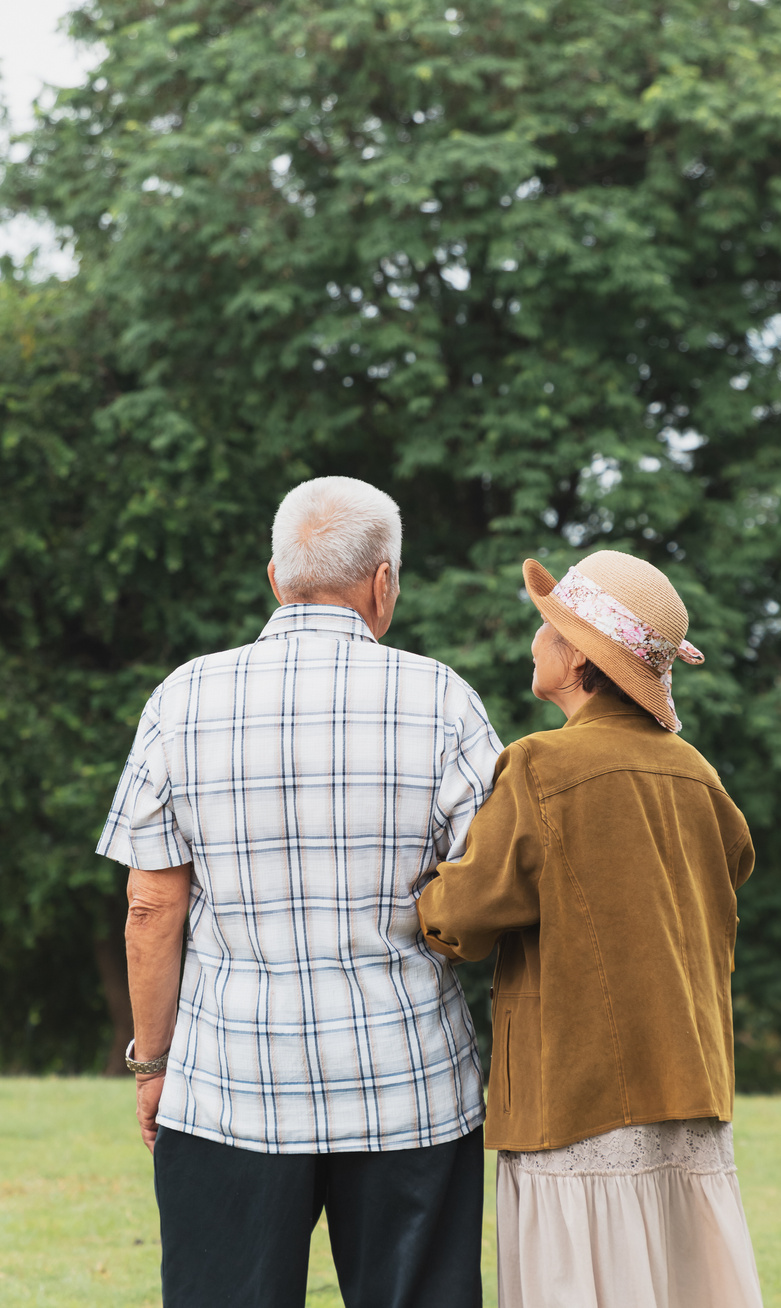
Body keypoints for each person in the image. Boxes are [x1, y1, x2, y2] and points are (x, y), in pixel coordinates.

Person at [96, 476, 502, 1308]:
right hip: (410, 1088)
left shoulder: (183, 698)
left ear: (275, 579)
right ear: (383, 583)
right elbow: (494, 888)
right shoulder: (442, 699)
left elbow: (151, 908)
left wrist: (152, 1064)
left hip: (227, 1090)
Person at [417, 549, 764, 1308]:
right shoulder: (700, 774)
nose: (532, 643)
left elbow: (458, 919)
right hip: (691, 1085)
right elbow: (733, 866)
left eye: (546, 629)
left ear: (577, 656)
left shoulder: (540, 765)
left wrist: (424, 879)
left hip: (578, 1097)